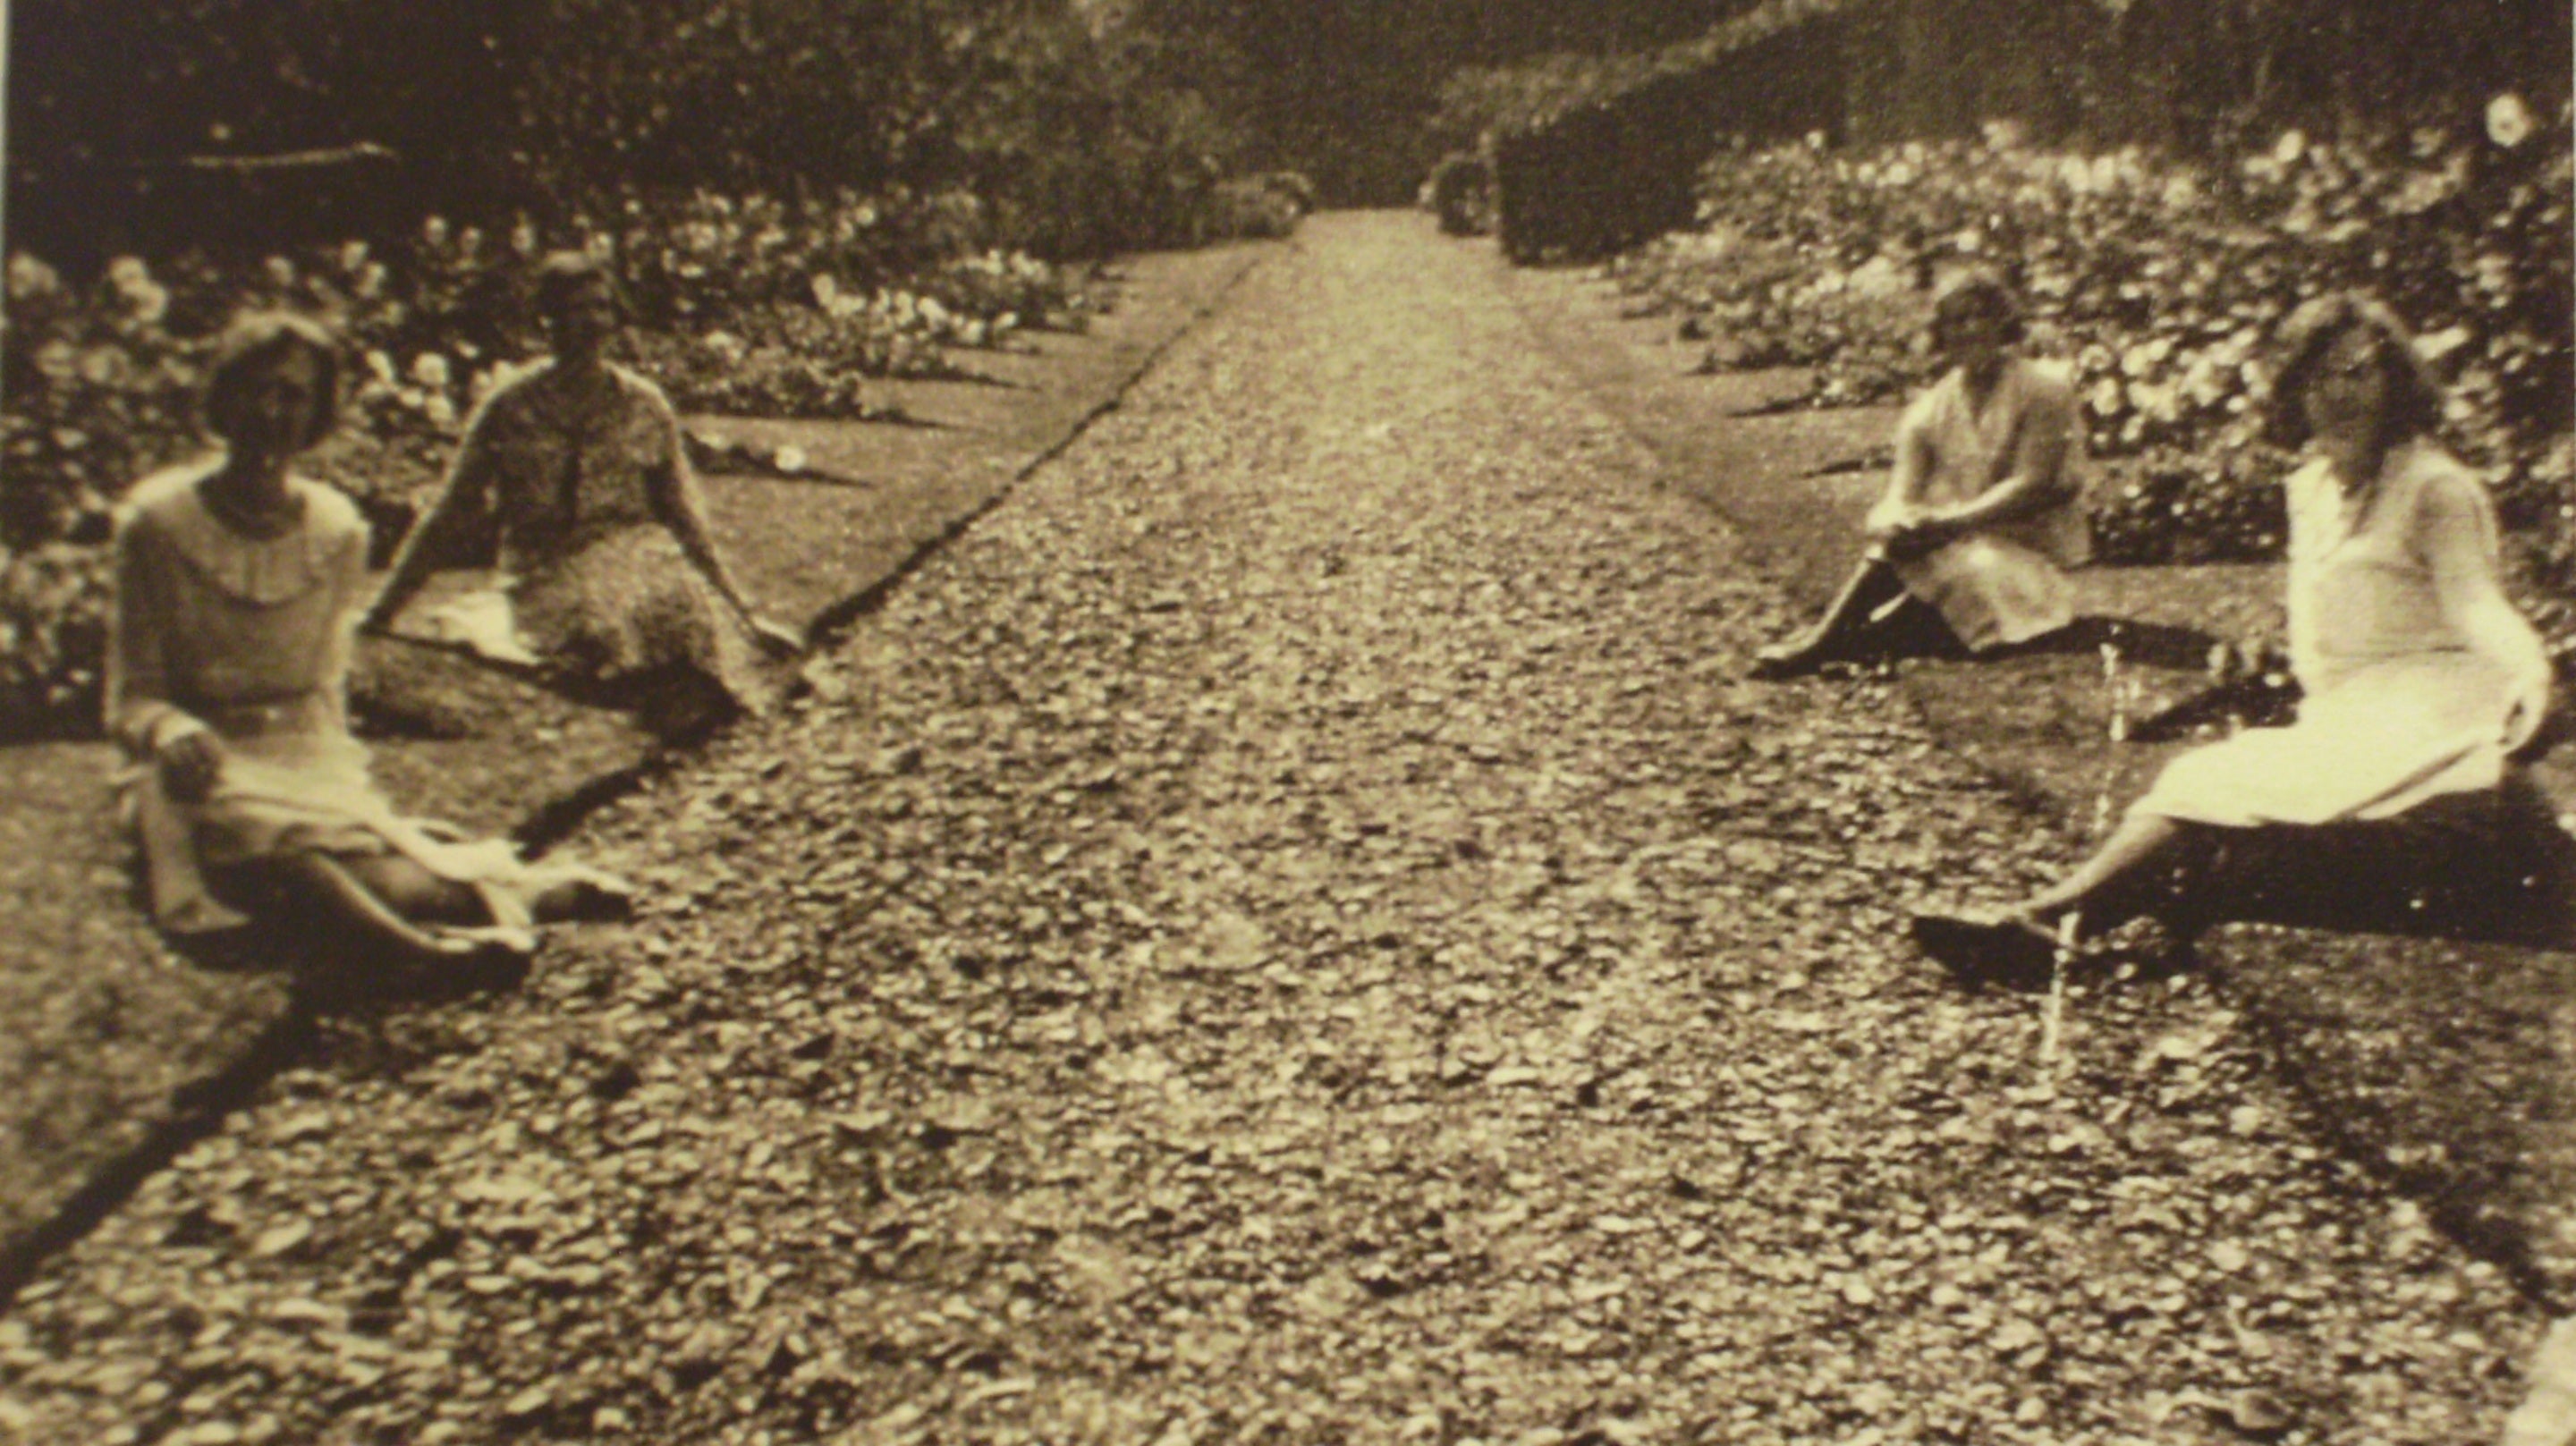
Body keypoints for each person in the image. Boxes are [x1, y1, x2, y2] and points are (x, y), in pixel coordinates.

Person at [1911, 293, 2556, 985]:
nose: (2342, 394)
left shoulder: (2434, 488)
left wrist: (2532, 671)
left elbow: (2476, 602)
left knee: (2211, 781)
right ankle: (2080, 926)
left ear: (2394, 380)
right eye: (2319, 377)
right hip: (2352, 716)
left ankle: (2041, 922)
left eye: (2359, 373)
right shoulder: (2312, 487)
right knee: (2242, 816)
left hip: (2433, 716)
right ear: (2293, 390)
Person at [108, 312, 630, 977]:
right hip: (194, 771)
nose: (270, 411)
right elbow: (132, 694)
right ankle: (427, 954)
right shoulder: (158, 523)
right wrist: (169, 730)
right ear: (223, 396)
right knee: (267, 842)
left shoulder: (336, 529)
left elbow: (324, 687)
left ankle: (511, 897)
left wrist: (342, 790)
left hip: (299, 753)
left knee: (352, 856)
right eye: (255, 390)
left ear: (318, 411)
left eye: (293, 395)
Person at [360, 251, 800, 738]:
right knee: (615, 617)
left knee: (670, 594)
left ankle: (716, 685)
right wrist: (384, 611)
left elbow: (682, 514)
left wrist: (740, 607)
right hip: (545, 573)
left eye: (601, 307)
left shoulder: (643, 403)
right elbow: (449, 512)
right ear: (547, 321)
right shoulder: (511, 406)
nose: (592, 322)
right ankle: (683, 687)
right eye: (576, 309)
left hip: (637, 556)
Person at [1753, 268, 2091, 677]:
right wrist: (1903, 523)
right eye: (1955, 321)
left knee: (1971, 568)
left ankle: (1831, 642)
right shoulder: (1930, 409)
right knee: (1920, 549)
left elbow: (2032, 484)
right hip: (1963, 542)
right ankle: (1831, 640)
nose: (1969, 330)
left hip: (2031, 554)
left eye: (1979, 316)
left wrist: (1949, 523)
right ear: (1941, 333)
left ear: (2002, 322)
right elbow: (1901, 495)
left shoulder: (2042, 391)